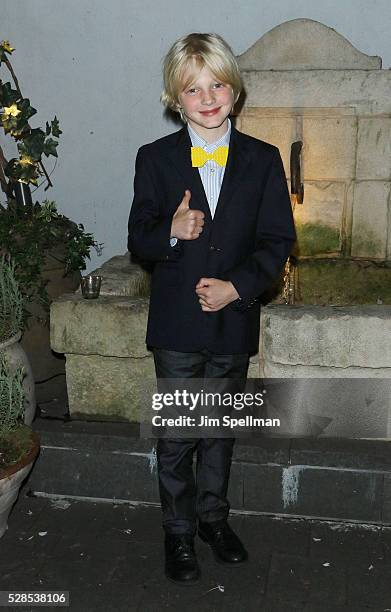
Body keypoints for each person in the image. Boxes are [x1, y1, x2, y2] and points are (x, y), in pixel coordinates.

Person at [128, 32, 296, 584]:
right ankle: (177, 533)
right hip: (177, 324)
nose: (207, 97)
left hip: (232, 319)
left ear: (234, 90)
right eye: (193, 89)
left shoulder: (264, 159)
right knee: (178, 433)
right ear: (176, 99)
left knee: (218, 430)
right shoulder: (154, 160)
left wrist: (237, 287)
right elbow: (139, 239)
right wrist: (171, 233)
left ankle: (212, 520)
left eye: (217, 84)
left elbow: (277, 241)